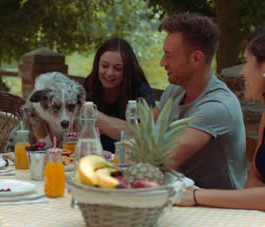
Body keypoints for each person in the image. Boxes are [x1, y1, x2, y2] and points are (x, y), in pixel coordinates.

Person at [96, 13, 247, 189]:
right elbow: (137, 132)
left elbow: (163, 161)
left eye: (168, 55)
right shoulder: (176, 90)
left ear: (196, 58)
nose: (162, 62)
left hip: (216, 207)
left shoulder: (216, 106)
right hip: (176, 193)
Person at [177, 28, 265, 210]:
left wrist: (196, 195)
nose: (242, 72)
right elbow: (255, 180)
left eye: (247, 62)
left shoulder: (219, 104)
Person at [84, 37, 155, 152]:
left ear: (128, 71)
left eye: (118, 68)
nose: (110, 73)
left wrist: (97, 118)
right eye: (104, 66)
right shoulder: (90, 84)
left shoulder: (141, 90)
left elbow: (142, 136)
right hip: (95, 154)